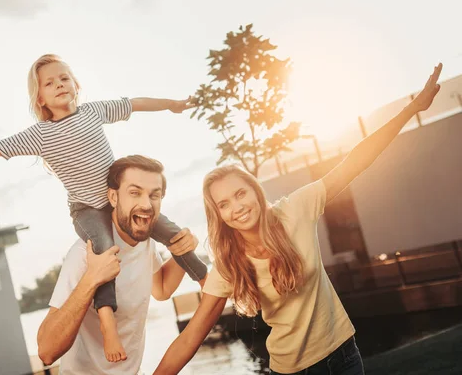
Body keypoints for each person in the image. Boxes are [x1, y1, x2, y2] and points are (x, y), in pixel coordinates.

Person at [153, 63, 443, 375]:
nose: (236, 207)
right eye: (223, 204)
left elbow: (356, 161)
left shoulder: (295, 209)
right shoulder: (229, 261)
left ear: (255, 190)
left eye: (240, 194)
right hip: (294, 370)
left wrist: (413, 107)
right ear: (219, 216)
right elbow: (192, 335)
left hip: (345, 356)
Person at [0, 54, 208, 362]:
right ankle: (109, 326)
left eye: (64, 78)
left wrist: (173, 104)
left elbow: (135, 103)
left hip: (119, 201)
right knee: (104, 252)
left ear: (76, 84)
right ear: (40, 97)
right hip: (87, 209)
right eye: (49, 82)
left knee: (172, 231)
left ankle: (207, 281)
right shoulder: (40, 135)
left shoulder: (94, 111)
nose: (59, 84)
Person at [37, 155, 199, 374]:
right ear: (113, 197)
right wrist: (92, 278)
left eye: (155, 195)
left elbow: (161, 289)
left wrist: (182, 249)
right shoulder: (84, 253)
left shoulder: (145, 241)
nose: (146, 204)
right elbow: (47, 351)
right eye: (135, 193)